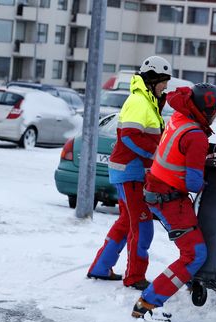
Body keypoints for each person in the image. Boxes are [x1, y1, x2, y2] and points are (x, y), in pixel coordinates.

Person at [131, 83, 216, 319]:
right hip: (171, 201)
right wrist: (213, 183)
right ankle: (148, 303)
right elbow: (194, 183)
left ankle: (188, 282)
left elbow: (179, 150)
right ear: (207, 110)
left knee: (194, 245)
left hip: (155, 191)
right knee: (194, 254)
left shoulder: (179, 116)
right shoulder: (196, 136)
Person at [87, 56, 172, 291]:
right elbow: (129, 136)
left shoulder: (147, 100)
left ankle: (100, 267)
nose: (166, 86)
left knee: (126, 223)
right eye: (163, 81)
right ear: (152, 79)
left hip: (130, 172)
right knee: (142, 226)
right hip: (130, 173)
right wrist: (156, 154)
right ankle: (135, 277)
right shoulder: (138, 102)